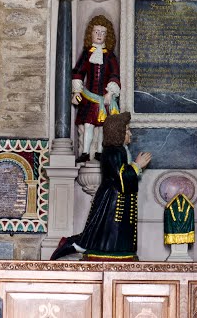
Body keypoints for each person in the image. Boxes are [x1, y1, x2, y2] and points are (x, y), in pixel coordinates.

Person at [50, 112, 152, 261]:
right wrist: (137, 165)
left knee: (104, 233)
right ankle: (70, 244)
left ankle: (111, 249)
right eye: (127, 130)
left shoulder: (120, 150)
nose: (130, 133)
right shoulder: (112, 152)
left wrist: (134, 167)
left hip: (117, 199)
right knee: (103, 232)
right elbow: (120, 177)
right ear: (118, 131)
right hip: (112, 201)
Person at [72, 15, 120, 163]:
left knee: (102, 127)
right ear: (91, 33)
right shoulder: (87, 54)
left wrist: (110, 93)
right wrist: (76, 91)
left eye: (103, 32)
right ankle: (85, 152)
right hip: (89, 97)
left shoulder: (110, 56)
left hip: (104, 98)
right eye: (96, 31)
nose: (99, 35)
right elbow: (78, 72)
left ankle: (99, 152)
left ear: (108, 35)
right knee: (88, 125)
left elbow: (114, 74)